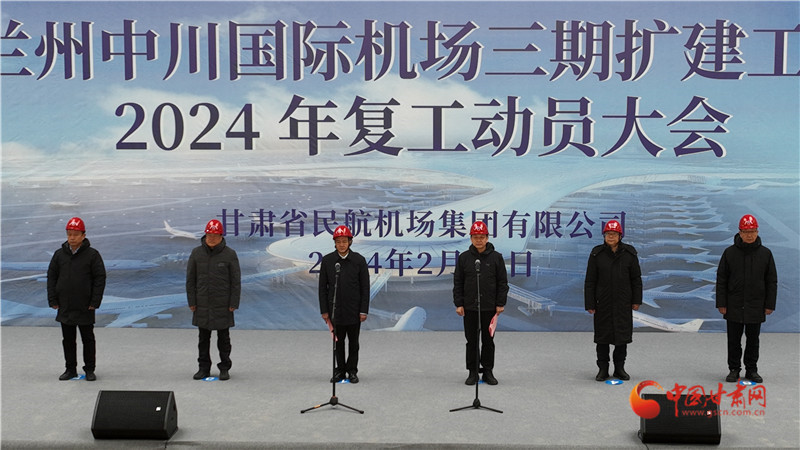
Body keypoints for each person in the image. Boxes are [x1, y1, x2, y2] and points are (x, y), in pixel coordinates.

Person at [716, 214, 777, 384]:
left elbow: (771, 281)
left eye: (752, 231)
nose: (749, 235)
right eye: (746, 232)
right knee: (733, 340)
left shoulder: (766, 254)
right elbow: (721, 279)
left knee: (753, 340)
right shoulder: (729, 253)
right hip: (734, 305)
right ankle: (734, 369)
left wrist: (769, 304)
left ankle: (752, 369)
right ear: (740, 233)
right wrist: (721, 303)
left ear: (757, 232)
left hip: (756, 305)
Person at [47, 217, 106, 381]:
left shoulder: (92, 255)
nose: (72, 238)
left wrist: (95, 301)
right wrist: (53, 299)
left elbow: (100, 278)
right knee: (68, 340)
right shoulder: (59, 255)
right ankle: (70, 369)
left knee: (88, 339)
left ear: (83, 235)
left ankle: (89, 369)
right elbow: (51, 277)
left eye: (75, 234)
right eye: (69, 234)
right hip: (65, 305)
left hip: (85, 305)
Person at [584, 219, 642, 382]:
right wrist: (590, 303)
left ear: (620, 236)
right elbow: (590, 281)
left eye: (614, 234)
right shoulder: (596, 254)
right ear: (604, 235)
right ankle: (603, 369)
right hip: (602, 304)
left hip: (623, 303)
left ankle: (619, 368)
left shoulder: (630, 254)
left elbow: (636, 279)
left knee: (621, 339)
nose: (610, 237)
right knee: (602, 338)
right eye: (608, 234)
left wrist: (636, 300)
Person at [453, 220, 508, 385]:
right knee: (471, 341)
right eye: (475, 237)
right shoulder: (464, 258)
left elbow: (502, 282)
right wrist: (459, 303)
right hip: (469, 307)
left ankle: (488, 371)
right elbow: (458, 282)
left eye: (482, 237)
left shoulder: (496, 258)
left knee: (488, 340)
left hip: (489, 307)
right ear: (471, 238)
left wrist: (500, 303)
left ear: (487, 238)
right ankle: (473, 371)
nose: (479, 240)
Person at [186, 219, 241, 381]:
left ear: (221, 236)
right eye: (209, 235)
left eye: (215, 236)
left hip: (223, 304)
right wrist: (192, 301)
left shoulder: (230, 254)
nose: (211, 238)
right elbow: (190, 280)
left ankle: (224, 367)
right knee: (203, 339)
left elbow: (235, 281)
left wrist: (234, 303)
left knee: (224, 339)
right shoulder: (196, 253)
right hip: (202, 303)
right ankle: (203, 368)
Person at [318, 225, 369, 383]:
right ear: (334, 243)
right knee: (338, 344)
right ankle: (339, 371)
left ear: (350, 242)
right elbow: (322, 288)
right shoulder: (328, 261)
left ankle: (352, 371)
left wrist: (363, 310)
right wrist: (324, 310)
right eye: (338, 241)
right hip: (335, 310)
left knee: (354, 343)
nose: (341, 244)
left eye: (344, 241)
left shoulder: (359, 260)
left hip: (354, 310)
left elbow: (365, 287)